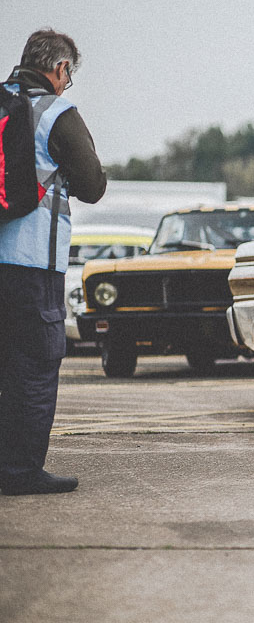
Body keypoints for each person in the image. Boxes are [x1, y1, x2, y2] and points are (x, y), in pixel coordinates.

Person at [0, 29, 106, 495]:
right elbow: (92, 185)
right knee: (35, 366)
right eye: (68, 75)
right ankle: (20, 472)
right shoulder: (56, 113)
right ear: (60, 68)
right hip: (31, 264)